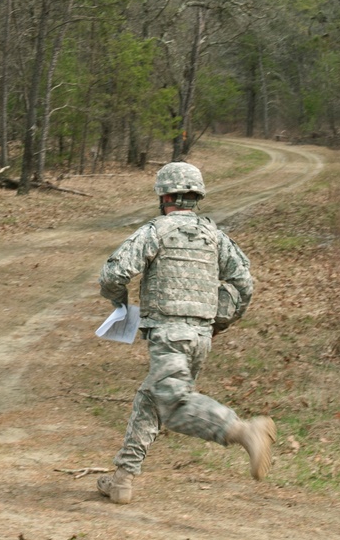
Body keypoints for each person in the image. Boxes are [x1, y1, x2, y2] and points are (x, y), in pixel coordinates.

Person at [95, 161, 276, 505]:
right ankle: (121, 479)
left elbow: (113, 274)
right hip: (200, 337)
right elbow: (244, 285)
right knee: (151, 400)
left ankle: (242, 431)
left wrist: (120, 306)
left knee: (173, 404)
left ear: (164, 195)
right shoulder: (215, 237)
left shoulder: (155, 232)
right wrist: (218, 321)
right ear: (196, 196)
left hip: (168, 333)